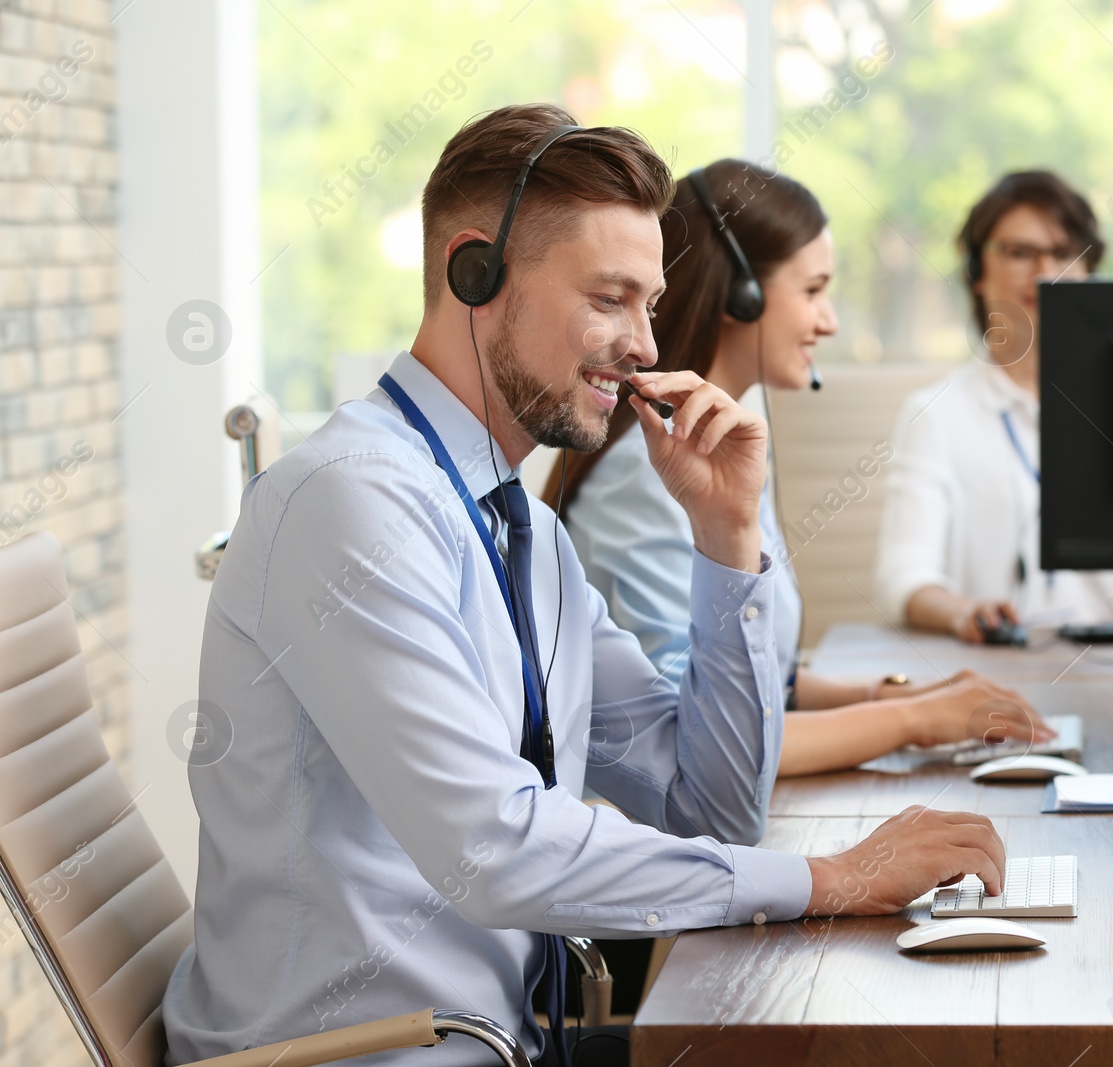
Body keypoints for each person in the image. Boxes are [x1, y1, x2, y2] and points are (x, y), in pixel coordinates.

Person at [162, 106, 1010, 1067]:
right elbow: (496, 850)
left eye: (650, 304)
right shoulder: (352, 504)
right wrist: (829, 877)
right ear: (474, 272)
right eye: (610, 299)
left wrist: (727, 537)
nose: (645, 345)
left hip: (499, 1043)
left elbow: (709, 808)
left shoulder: (517, 526)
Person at [548, 159, 1049, 778]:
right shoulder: (648, 474)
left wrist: (903, 697)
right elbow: (696, 735)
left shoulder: (722, 441)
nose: (829, 320)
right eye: (813, 291)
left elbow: (755, 682)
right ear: (741, 293)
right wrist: (912, 722)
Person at [873, 171, 1113, 643]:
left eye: (1064, 254)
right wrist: (963, 612)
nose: (1044, 272)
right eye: (1020, 253)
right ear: (977, 273)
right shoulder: (936, 414)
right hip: (998, 681)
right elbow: (902, 577)